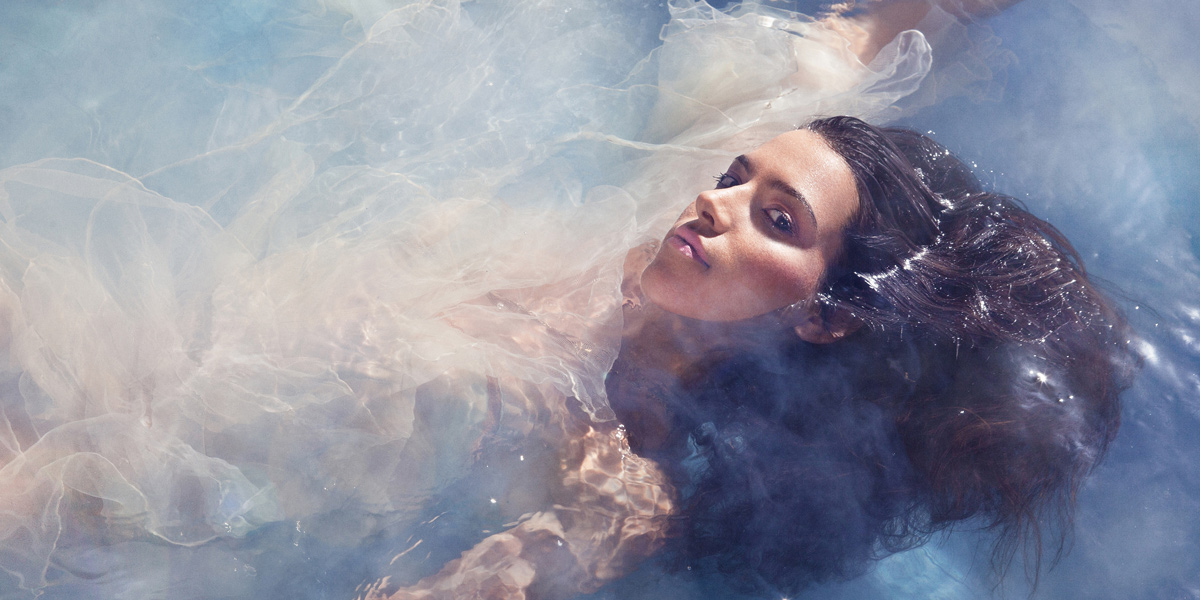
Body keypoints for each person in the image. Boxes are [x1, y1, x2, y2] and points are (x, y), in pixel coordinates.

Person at [0, 1, 1131, 599]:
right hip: (140, 326)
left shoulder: (618, 483)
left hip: (116, 493)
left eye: (776, 219)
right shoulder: (632, 225)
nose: (714, 198)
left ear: (825, 316)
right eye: (738, 172)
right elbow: (848, 48)